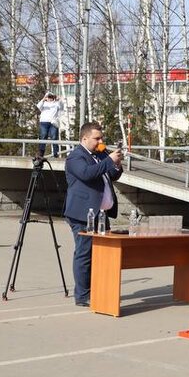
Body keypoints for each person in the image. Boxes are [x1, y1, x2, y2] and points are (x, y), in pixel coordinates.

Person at [63, 122, 124, 307]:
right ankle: (82, 296)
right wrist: (108, 161)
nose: (100, 142)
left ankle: (99, 289)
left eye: (101, 138)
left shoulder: (99, 155)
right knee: (85, 253)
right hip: (82, 214)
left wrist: (117, 165)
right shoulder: (76, 157)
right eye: (97, 138)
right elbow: (87, 174)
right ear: (84, 138)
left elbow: (111, 175)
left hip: (102, 213)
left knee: (102, 255)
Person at [36, 92, 64, 157]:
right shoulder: (44, 104)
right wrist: (43, 99)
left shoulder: (56, 103)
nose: (50, 98)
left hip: (53, 122)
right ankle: (41, 153)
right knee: (43, 136)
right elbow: (38, 106)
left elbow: (62, 107)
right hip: (44, 122)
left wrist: (59, 99)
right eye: (49, 97)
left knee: (54, 137)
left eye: (51, 97)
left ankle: (55, 153)